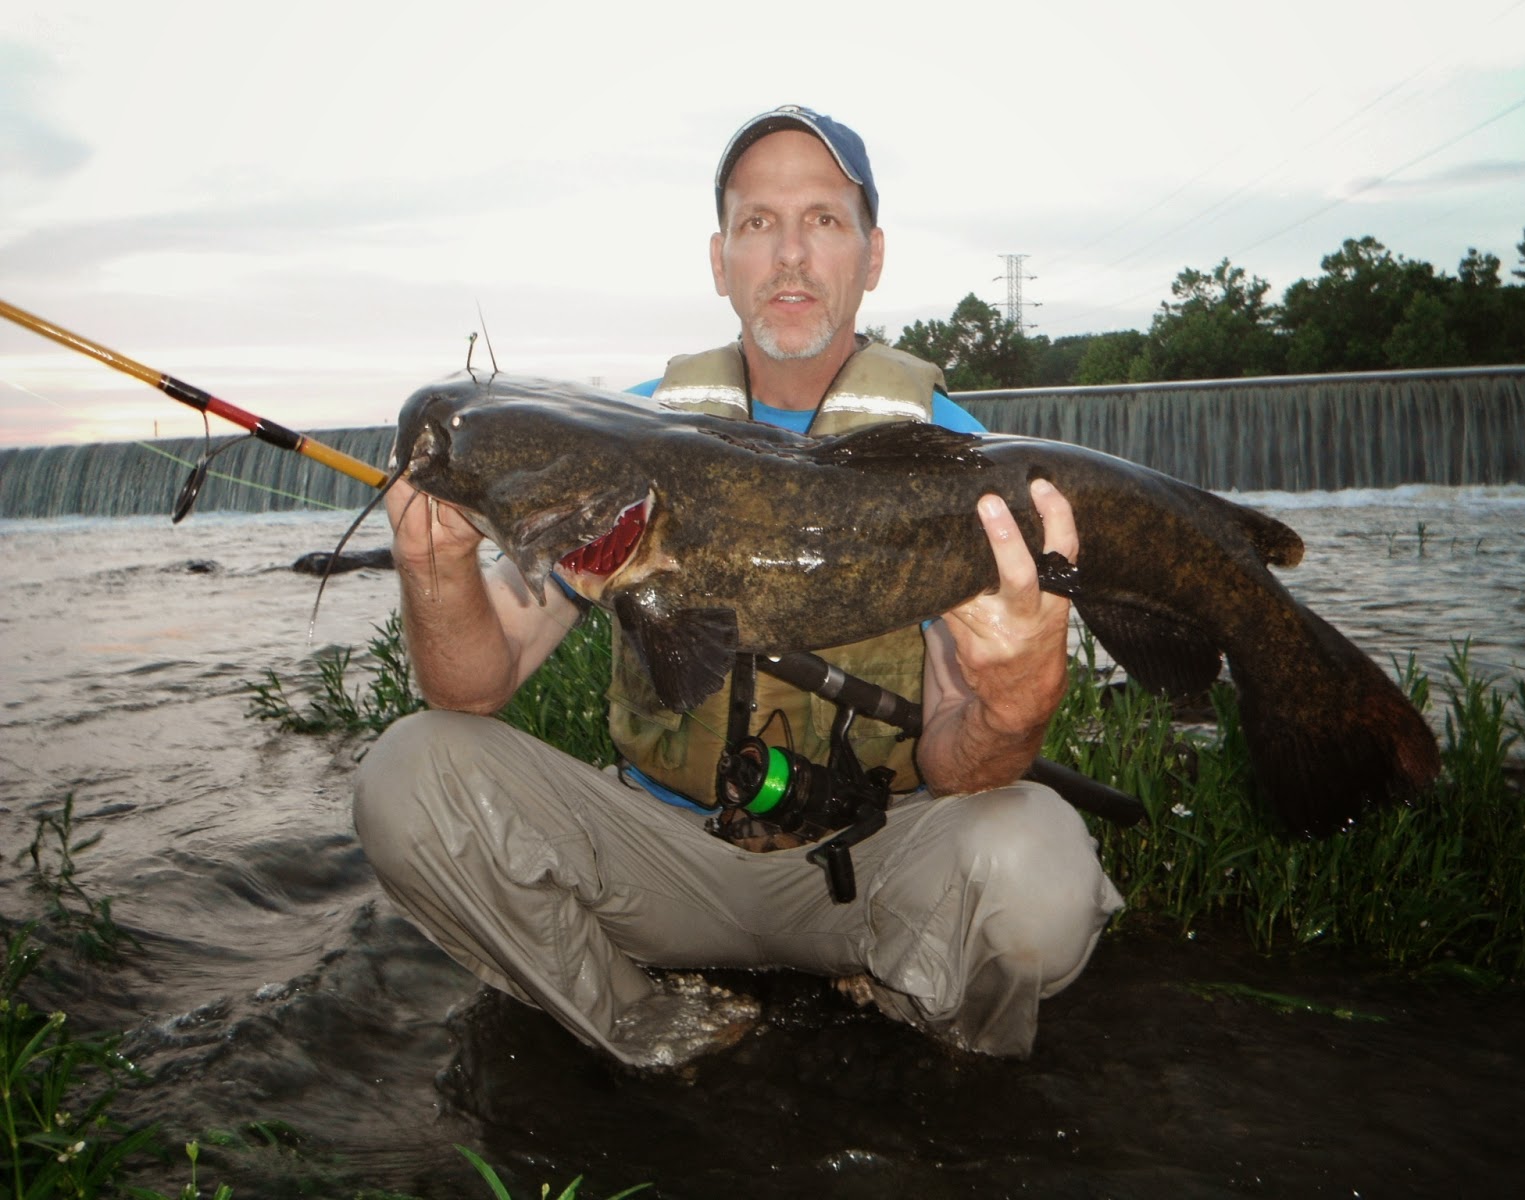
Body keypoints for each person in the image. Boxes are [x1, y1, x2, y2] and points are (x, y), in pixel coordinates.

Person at [354, 105, 1123, 1068]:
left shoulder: (963, 464)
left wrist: (1018, 698)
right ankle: (637, 1017)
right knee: (409, 773)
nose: (790, 256)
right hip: (659, 861)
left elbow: (964, 769)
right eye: (758, 224)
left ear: (872, 255)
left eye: (824, 221)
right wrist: (436, 571)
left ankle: (914, 992)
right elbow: (474, 685)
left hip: (866, 863)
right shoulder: (618, 436)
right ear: (720, 261)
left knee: (1038, 868)